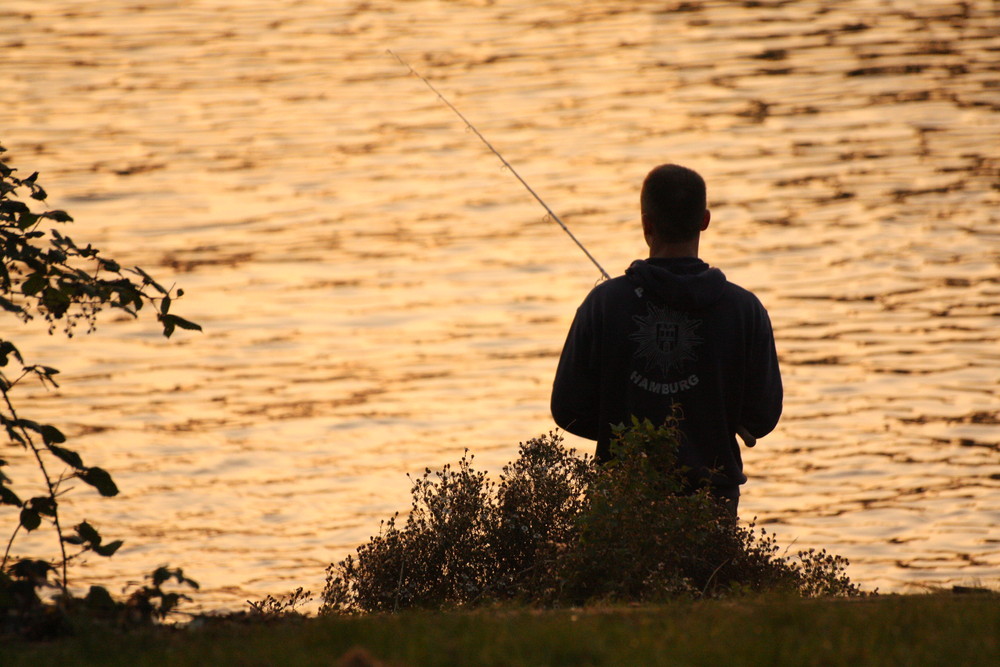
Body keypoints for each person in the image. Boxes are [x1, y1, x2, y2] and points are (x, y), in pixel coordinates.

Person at [550, 164, 782, 515]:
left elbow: (567, 409)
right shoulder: (744, 310)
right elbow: (763, 416)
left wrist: (624, 427)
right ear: (704, 220)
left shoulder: (604, 304)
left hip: (621, 502)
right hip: (712, 506)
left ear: (646, 224)